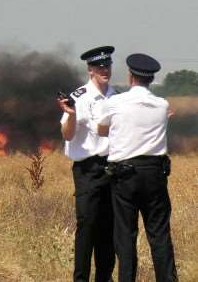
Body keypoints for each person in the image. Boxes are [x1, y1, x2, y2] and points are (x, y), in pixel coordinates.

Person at [97, 53, 178, 282]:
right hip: (155, 173)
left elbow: (102, 130)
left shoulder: (114, 103)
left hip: (125, 175)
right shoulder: (162, 105)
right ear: (151, 78)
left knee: (125, 235)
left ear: (131, 76)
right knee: (160, 235)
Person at [57, 46, 117, 282]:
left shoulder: (117, 96)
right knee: (87, 225)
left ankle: (105, 277)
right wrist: (71, 116)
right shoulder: (78, 97)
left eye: (108, 65)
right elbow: (68, 135)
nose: (105, 70)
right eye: (100, 66)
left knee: (109, 227)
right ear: (90, 70)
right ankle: (81, 278)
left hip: (112, 168)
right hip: (88, 170)